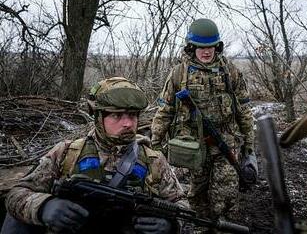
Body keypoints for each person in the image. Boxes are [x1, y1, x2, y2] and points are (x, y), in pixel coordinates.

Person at [3, 77, 192, 234]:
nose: (127, 123)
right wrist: (44, 206)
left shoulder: (154, 160)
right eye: (117, 116)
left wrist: (171, 224)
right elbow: (16, 194)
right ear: (98, 117)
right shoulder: (67, 153)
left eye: (132, 115)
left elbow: (182, 207)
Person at [151, 18, 258, 233]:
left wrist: (249, 144)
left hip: (225, 144)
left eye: (210, 46)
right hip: (191, 147)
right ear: (192, 47)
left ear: (217, 46)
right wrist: (154, 145)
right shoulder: (178, 74)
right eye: (201, 47)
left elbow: (244, 110)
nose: (206, 52)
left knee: (226, 196)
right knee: (196, 197)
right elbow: (164, 111)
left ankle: (225, 228)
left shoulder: (231, 72)